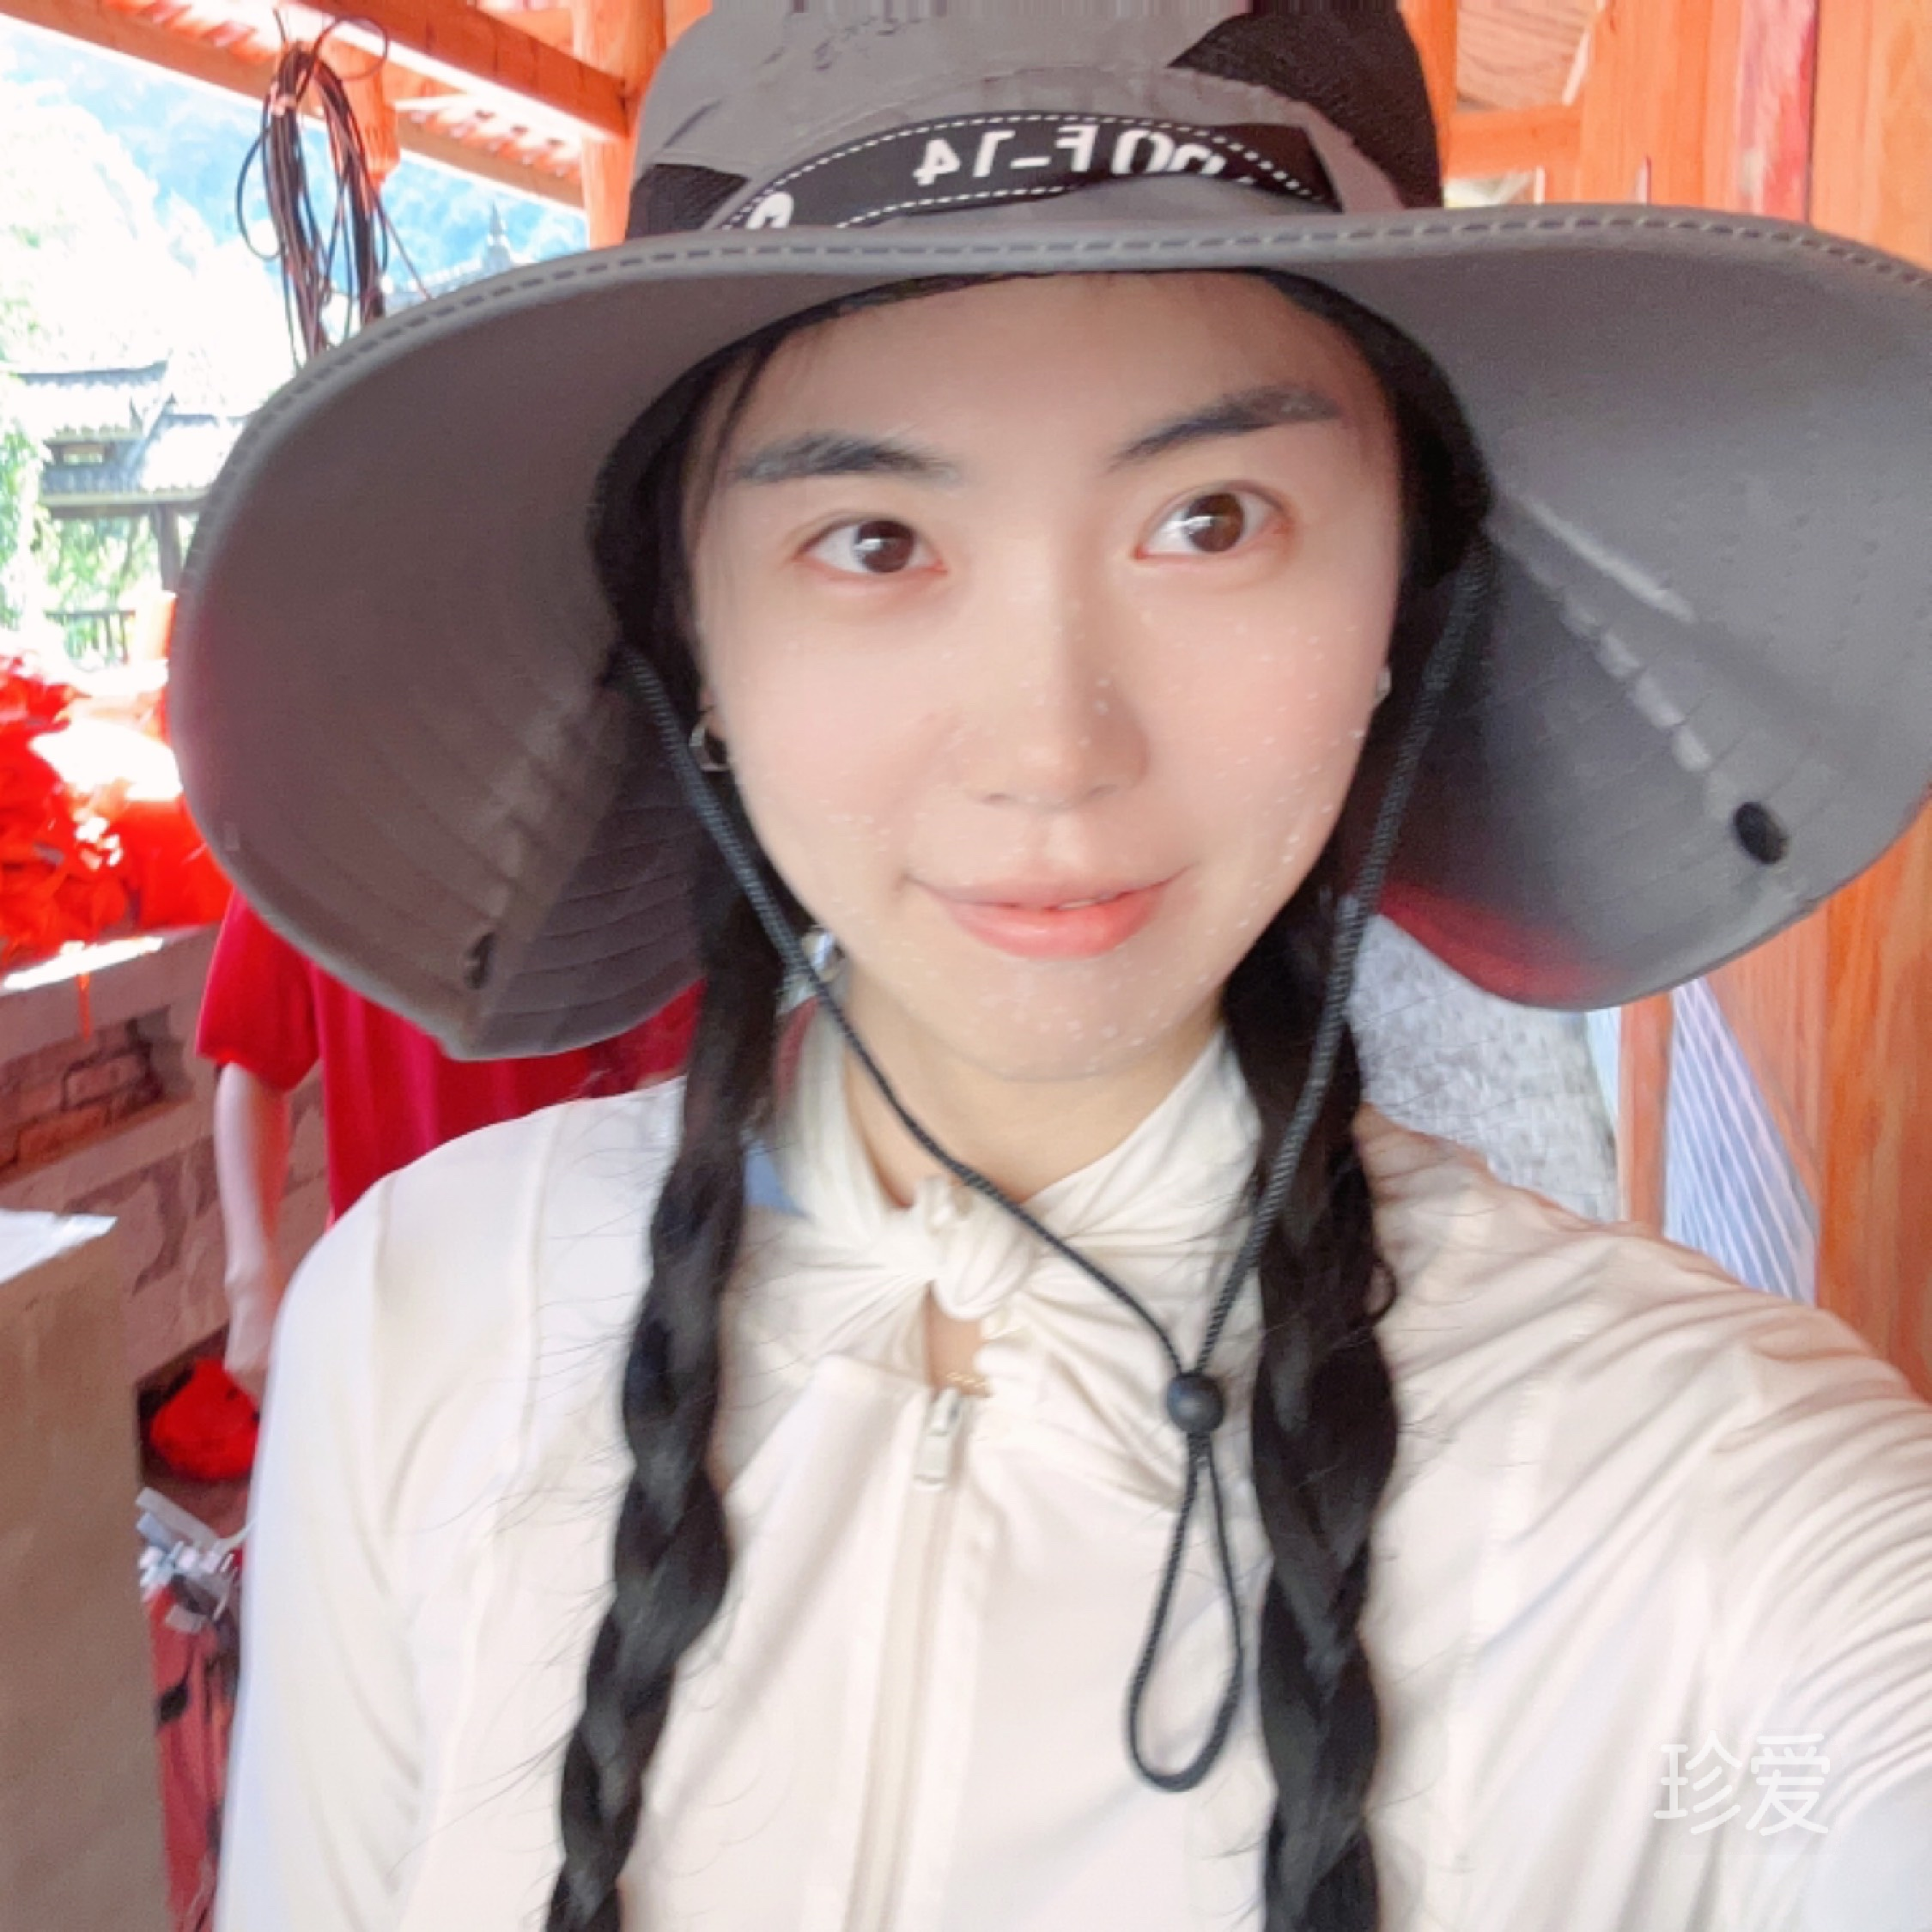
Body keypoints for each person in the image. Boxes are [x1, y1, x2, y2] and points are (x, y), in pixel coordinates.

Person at [169, 6, 1932, 1929]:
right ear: (695, 642)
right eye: (872, 539)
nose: (1052, 749)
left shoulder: (1722, 1503)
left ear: (1402, 598)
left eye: (1211, 521)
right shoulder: (422, 1327)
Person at [197, 895, 700, 1395]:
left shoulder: (591, 854)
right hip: (384, 1283)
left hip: (562, 1289)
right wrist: (251, 1283)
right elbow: (252, 1063)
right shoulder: (302, 852)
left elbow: (660, 1086)